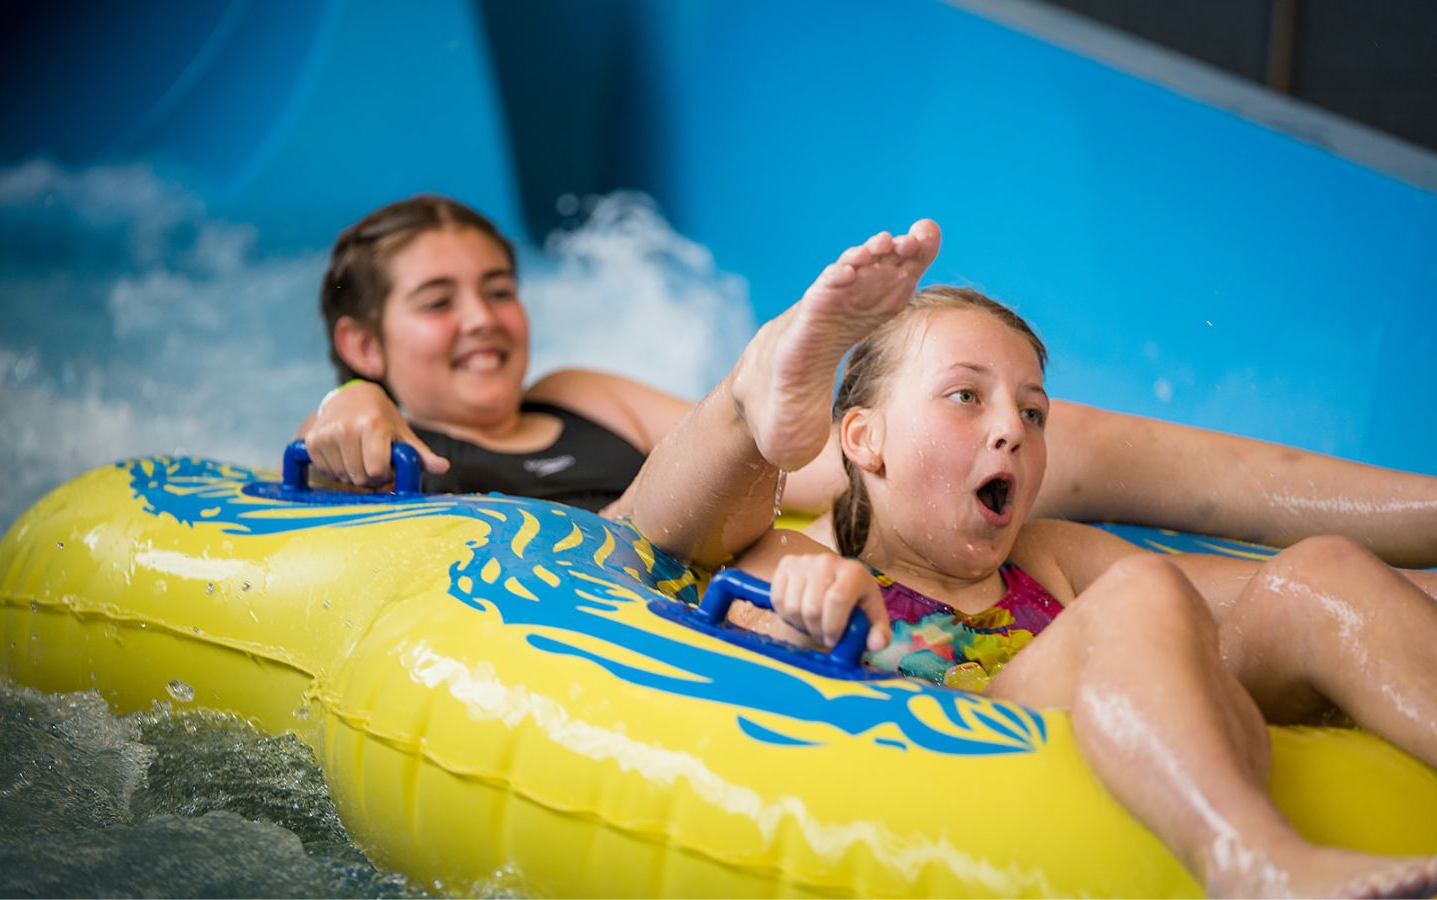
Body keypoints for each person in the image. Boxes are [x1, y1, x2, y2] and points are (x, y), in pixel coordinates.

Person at [619, 222, 1437, 898]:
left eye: (1034, 412)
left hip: (1119, 699)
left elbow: (1265, 603)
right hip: (971, 743)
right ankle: (1252, 863)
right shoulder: (804, 551)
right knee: (1139, 589)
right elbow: (754, 613)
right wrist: (808, 602)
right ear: (864, 441)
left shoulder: (1050, 557)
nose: (1012, 428)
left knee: (1321, 568)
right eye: (965, 397)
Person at [300, 194, 1437, 572]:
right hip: (616, 574)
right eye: (438, 301)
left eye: (497, 286)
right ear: (361, 345)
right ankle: (774, 384)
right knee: (693, 494)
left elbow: (787, 493)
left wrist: (938, 439)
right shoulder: (371, 426)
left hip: (769, 521)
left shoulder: (583, 386)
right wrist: (354, 417)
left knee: (1030, 429)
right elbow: (329, 462)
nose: (486, 318)